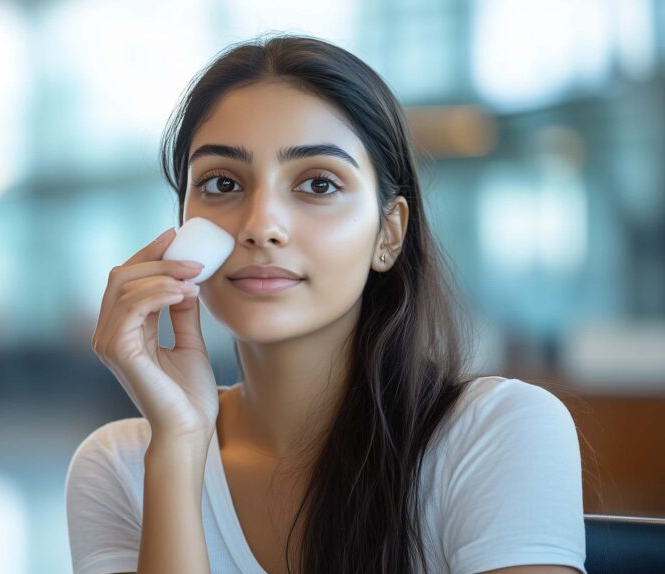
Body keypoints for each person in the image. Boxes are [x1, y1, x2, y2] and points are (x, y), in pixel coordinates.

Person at [66, 34, 586, 574]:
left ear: (388, 234)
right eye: (223, 182)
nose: (261, 226)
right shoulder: (121, 466)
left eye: (318, 184)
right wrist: (178, 444)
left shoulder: (496, 434)